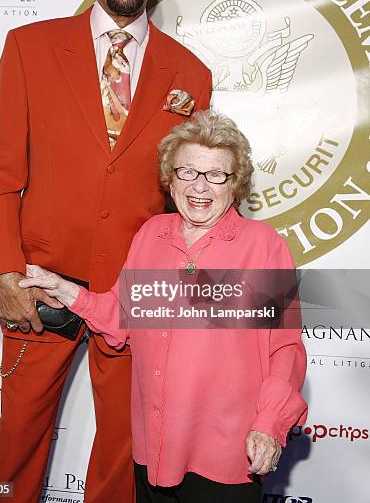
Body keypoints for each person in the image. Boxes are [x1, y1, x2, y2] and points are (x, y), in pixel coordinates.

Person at [0, 0, 212, 503]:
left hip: (136, 292)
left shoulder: (192, 73)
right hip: (40, 282)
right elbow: (0, 166)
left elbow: (190, 192)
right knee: (16, 439)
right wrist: (2, 270)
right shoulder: (29, 45)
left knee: (125, 446)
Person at [20, 110, 308, 503]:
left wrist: (270, 424)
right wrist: (64, 289)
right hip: (153, 446)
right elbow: (122, 318)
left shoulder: (262, 245)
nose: (199, 187)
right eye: (187, 172)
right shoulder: (151, 235)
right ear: (170, 178)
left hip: (228, 451)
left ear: (235, 183)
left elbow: (285, 349)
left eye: (216, 175)